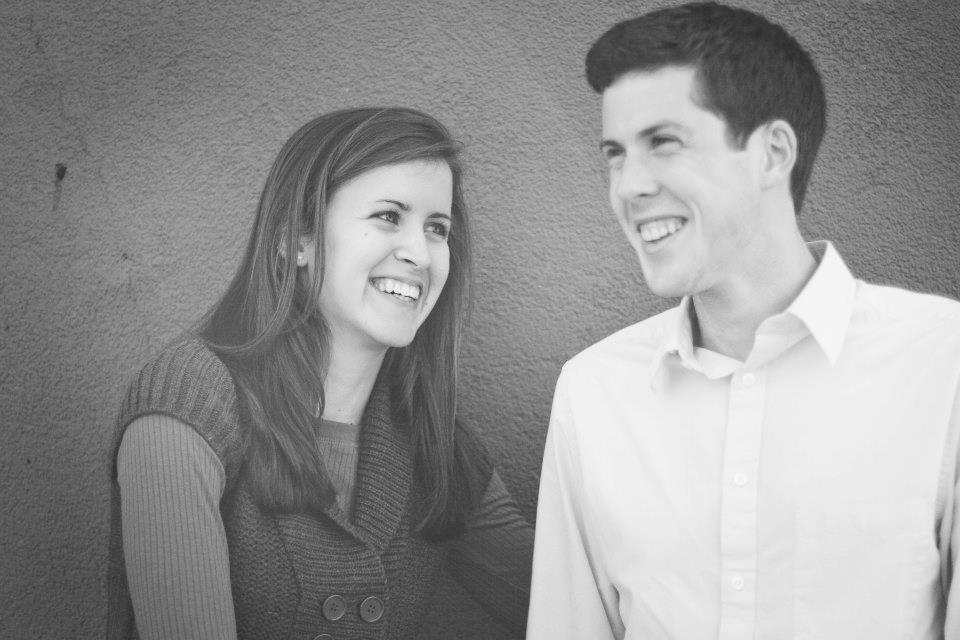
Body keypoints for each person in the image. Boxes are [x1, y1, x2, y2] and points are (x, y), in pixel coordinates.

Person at [527, 3, 960, 639]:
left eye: (663, 142)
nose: (628, 187)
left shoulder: (944, 363)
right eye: (615, 154)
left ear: (772, 154)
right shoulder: (593, 392)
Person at [106, 107, 533, 640]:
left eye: (437, 228)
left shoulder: (432, 442)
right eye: (388, 216)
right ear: (297, 239)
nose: (420, 255)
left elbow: (577, 607)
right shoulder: (188, 404)